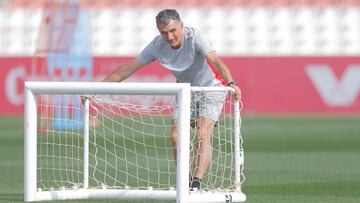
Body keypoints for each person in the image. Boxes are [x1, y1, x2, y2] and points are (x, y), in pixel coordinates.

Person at [100, 9, 241, 190]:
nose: (170, 36)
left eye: (173, 30)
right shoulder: (157, 46)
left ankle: (195, 183)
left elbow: (214, 59)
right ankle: (186, 179)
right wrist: (97, 89)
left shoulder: (195, 36)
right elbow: (126, 70)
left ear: (181, 25)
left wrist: (232, 82)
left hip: (211, 87)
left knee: (202, 135)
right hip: (185, 91)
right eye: (164, 33)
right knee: (176, 137)